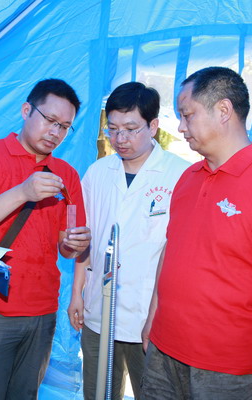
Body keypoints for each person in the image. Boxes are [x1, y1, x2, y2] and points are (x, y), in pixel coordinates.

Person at [140, 67, 252, 400]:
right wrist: (152, 317)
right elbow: (171, 250)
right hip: (163, 353)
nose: (180, 127)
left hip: (228, 370)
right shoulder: (188, 178)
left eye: (187, 115)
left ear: (223, 111)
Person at [0, 78, 92, 399]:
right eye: (50, 120)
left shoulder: (67, 175)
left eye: (65, 127)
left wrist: (74, 243)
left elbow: (67, 247)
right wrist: (23, 192)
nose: (55, 132)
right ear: (26, 110)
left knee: (26, 394)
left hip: (43, 309)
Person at [67, 82, 189, 399]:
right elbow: (85, 239)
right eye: (113, 129)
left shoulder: (181, 175)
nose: (120, 139)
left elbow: (180, 253)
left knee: (153, 392)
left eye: (131, 129)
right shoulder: (97, 173)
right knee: (97, 392)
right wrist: (76, 292)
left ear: (153, 126)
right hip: (97, 310)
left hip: (149, 316)